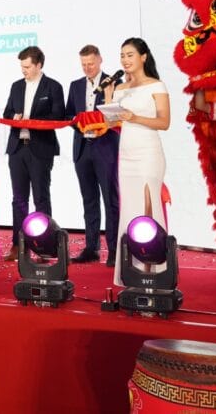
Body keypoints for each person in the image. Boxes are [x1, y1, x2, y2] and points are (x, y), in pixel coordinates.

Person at [104, 37, 170, 286]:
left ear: (143, 57)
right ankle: (132, 271)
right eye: (122, 55)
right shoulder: (120, 88)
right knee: (130, 209)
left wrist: (135, 117)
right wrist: (109, 98)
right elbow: (111, 122)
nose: (125, 60)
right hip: (126, 154)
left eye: (130, 55)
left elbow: (164, 122)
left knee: (148, 208)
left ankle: (154, 272)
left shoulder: (156, 85)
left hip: (148, 153)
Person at [2, 46, 66, 261]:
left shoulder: (53, 86)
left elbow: (58, 116)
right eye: (22, 66)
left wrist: (32, 122)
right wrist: (15, 117)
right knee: (18, 199)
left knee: (41, 197)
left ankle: (45, 246)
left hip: (40, 148)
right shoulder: (16, 86)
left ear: (39, 65)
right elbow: (7, 113)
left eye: (28, 67)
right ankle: (18, 245)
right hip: (17, 148)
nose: (24, 70)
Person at [65, 45, 120, 266]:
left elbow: (117, 115)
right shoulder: (75, 85)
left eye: (91, 63)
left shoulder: (114, 83)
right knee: (89, 199)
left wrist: (99, 125)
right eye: (84, 64)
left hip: (105, 147)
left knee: (110, 199)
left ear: (100, 60)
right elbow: (69, 115)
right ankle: (92, 247)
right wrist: (79, 124)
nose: (87, 68)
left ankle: (114, 249)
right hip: (82, 147)